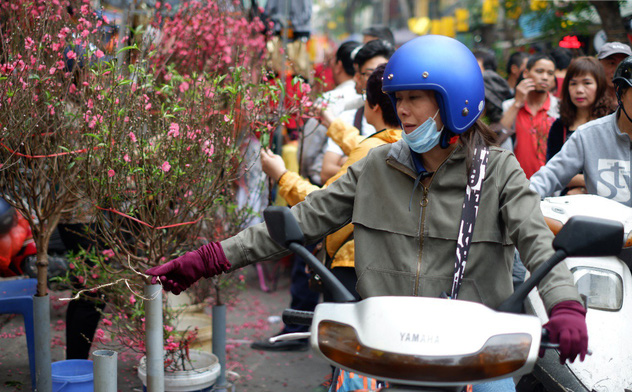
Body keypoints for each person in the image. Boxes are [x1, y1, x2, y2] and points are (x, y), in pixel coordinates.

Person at [146, 35, 588, 392]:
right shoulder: (376, 166)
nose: (403, 110)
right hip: (386, 352)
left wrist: (566, 305)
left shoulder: (498, 172)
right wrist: (204, 260)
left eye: (417, 98)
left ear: (457, 103)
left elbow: (537, 242)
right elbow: (300, 221)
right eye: (399, 98)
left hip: (473, 357)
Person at [529, 54, 632, 392]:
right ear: (620, 94)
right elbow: (547, 178)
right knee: (593, 351)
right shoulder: (588, 136)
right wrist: (519, 204)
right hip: (598, 264)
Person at [261, 63, 400, 302]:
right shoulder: (404, 143)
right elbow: (364, 144)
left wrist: (282, 175)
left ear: (375, 105)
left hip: (351, 261)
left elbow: (323, 204)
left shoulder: (371, 149)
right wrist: (332, 124)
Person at [320, 39, 393, 184]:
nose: (380, 80)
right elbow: (326, 171)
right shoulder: (349, 117)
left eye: (384, 73)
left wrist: (348, 162)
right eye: (372, 73)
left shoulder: (407, 120)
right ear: (358, 77)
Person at [546, 56, 616, 195]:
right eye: (573, 83)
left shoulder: (613, 122)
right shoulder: (560, 126)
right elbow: (553, 171)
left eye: (587, 83)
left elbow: (617, 173)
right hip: (568, 202)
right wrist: (588, 181)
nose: (579, 90)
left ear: (600, 85)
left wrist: (584, 187)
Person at [300, 41, 362, 187]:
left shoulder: (329, 100)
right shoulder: (368, 99)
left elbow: (309, 148)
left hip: (323, 182)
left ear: (338, 66)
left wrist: (303, 172)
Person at [500, 54, 559, 178]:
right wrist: (517, 103)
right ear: (526, 73)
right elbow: (498, 138)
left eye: (550, 73)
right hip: (516, 184)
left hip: (551, 186)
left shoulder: (559, 108)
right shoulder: (509, 106)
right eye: (539, 71)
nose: (545, 77)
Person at [597, 41, 632, 106]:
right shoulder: (589, 101)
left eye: (623, 64)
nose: (617, 70)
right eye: (611, 63)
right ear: (598, 65)